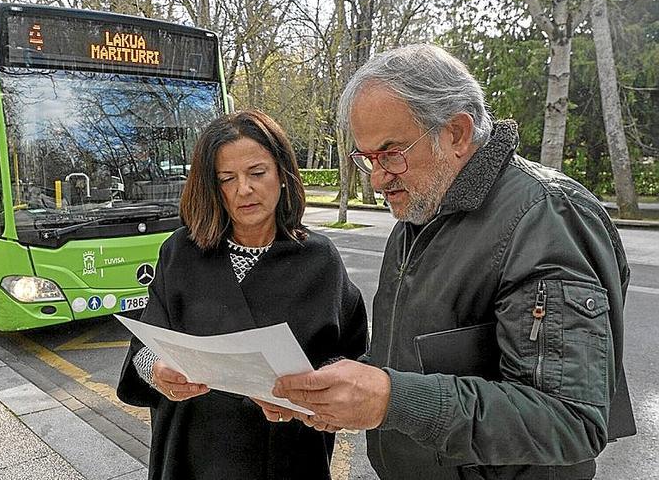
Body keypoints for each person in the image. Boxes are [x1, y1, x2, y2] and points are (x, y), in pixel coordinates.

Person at [257, 44, 636, 478]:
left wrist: (389, 399)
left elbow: (570, 420)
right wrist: (335, 391)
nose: (379, 178)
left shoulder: (546, 217)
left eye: (392, 153)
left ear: (456, 133)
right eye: (367, 159)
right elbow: (417, 366)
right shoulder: (420, 212)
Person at [116, 109, 369, 480]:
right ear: (211, 187)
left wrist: (317, 392)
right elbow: (145, 347)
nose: (243, 190)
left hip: (287, 454)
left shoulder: (320, 259)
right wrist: (156, 371)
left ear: (282, 175)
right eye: (226, 179)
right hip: (191, 452)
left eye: (256, 173)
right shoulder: (182, 252)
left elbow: (352, 357)